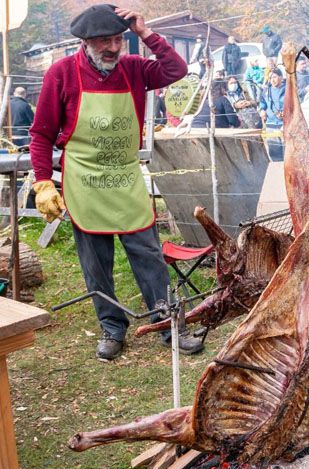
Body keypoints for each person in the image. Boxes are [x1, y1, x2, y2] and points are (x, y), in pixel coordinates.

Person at [29, 5, 203, 360]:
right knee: (96, 262)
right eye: (104, 41)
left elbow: (177, 69)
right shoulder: (61, 74)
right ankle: (112, 328)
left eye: (118, 39)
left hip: (125, 178)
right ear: (86, 42)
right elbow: (41, 134)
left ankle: (169, 324)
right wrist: (44, 182)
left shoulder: (134, 68)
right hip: (85, 182)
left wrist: (145, 33)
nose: (113, 47)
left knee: (149, 255)